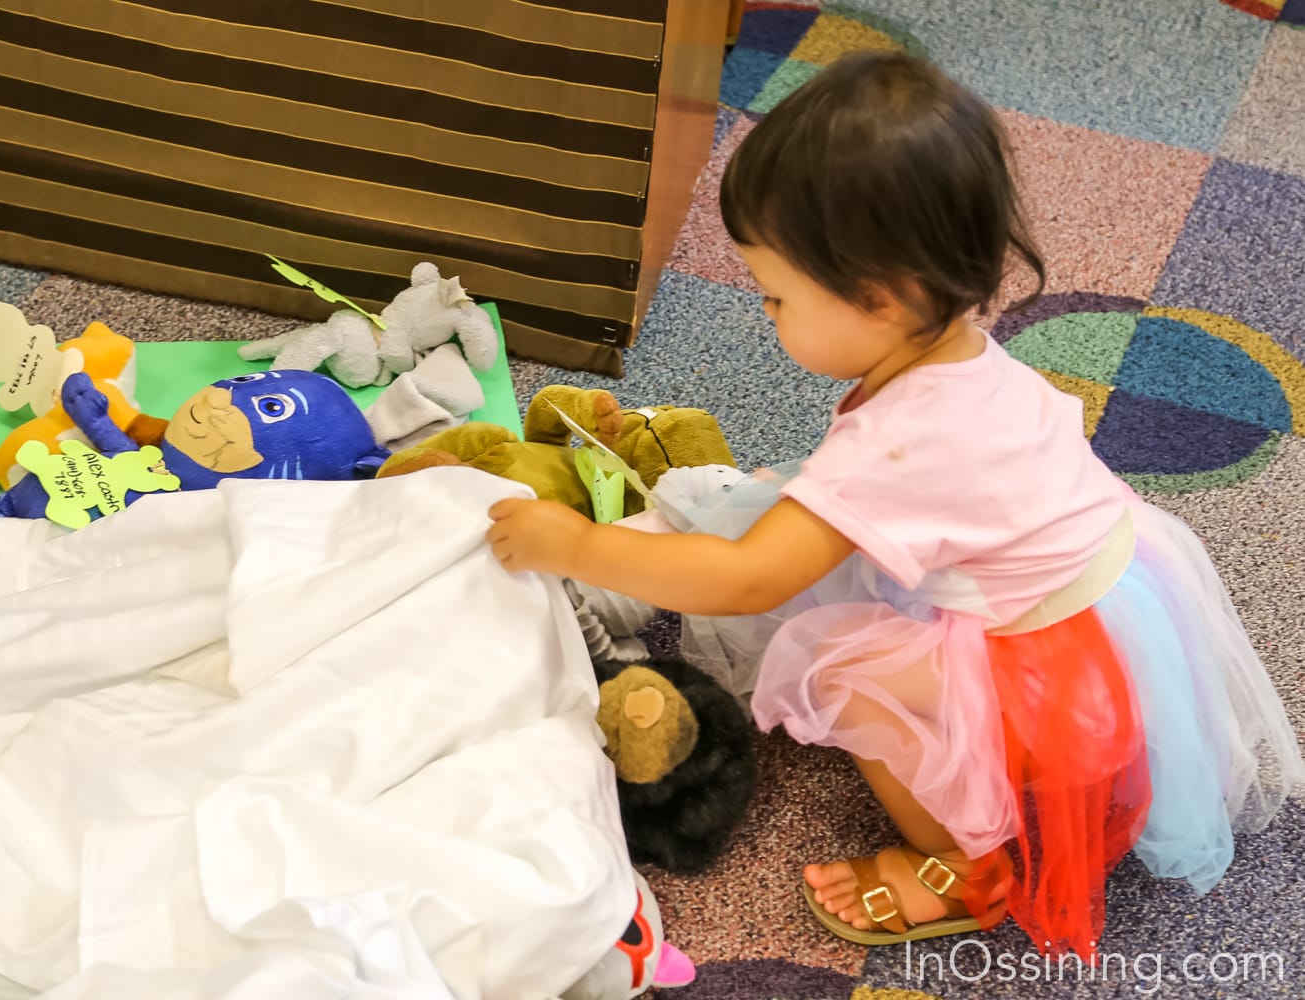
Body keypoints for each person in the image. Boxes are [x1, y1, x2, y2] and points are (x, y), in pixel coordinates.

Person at [484, 50, 1302, 956]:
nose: (763, 312)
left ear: (878, 299)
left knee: (843, 674)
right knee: (812, 541)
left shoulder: (898, 442)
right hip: (1111, 600)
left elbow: (749, 579)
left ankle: (963, 862)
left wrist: (573, 546)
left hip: (1037, 667)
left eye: (775, 295)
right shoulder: (960, 354)